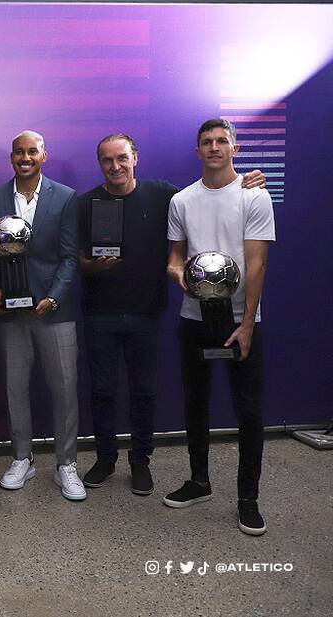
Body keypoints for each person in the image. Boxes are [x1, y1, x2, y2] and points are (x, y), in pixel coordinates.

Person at [78, 134, 266, 496]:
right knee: (102, 389)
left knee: (144, 391)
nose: (115, 166)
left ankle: (140, 461)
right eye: (107, 160)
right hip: (99, 313)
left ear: (135, 158)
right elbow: (76, 261)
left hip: (146, 313)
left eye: (122, 158)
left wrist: (250, 180)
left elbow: (211, 193)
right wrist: (93, 265)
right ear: (99, 163)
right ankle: (105, 458)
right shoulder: (86, 203)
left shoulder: (165, 194)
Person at [164, 118, 275, 536]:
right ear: (198, 151)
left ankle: (248, 498)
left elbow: (257, 262)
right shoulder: (182, 200)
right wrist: (178, 274)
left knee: (249, 411)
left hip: (240, 320)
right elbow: (175, 256)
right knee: (196, 402)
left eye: (221, 141)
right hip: (194, 318)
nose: (214, 147)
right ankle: (199, 481)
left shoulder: (254, 196)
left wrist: (246, 323)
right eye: (207, 142)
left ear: (235, 148)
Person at [0, 130, 84, 502]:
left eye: (32, 152)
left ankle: (66, 465)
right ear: (11, 157)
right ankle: (21, 458)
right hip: (11, 314)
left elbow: (69, 256)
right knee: (15, 389)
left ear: (44, 156)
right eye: (18, 152)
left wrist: (54, 298)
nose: (25, 157)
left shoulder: (65, 197)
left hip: (53, 312)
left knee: (64, 389)